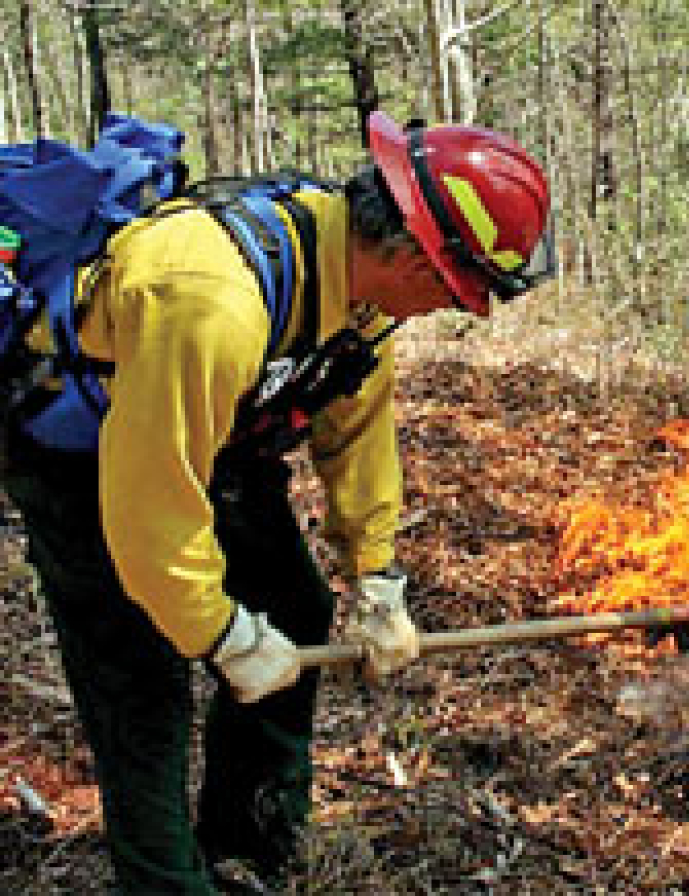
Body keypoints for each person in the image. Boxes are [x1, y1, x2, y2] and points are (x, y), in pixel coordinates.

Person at [0, 110, 553, 894]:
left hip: (210, 433)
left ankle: (252, 837)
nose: (454, 310)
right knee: (144, 677)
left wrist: (376, 576)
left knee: (292, 602)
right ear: (418, 259)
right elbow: (150, 506)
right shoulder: (211, 300)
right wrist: (218, 632)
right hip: (84, 456)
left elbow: (357, 429)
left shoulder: (361, 296)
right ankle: (166, 883)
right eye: (459, 293)